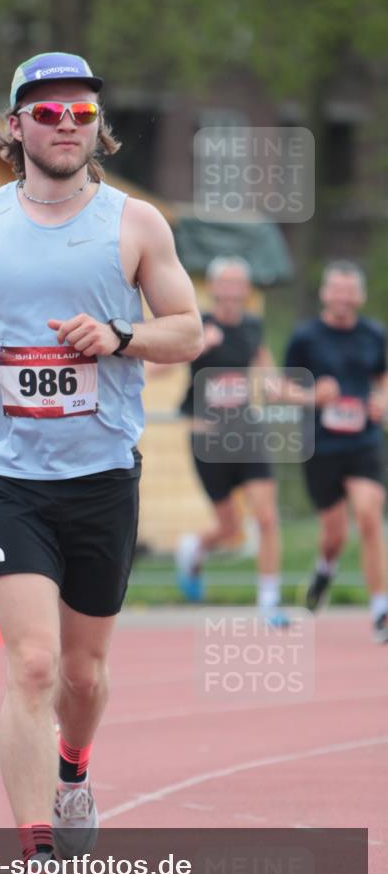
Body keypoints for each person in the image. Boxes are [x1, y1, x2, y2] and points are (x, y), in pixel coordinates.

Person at [0, 51, 203, 874]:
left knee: (83, 678)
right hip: (7, 474)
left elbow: (187, 332)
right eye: (46, 112)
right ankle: (34, 858)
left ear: (96, 124)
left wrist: (120, 336)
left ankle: (75, 774)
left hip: (99, 478)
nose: (65, 124)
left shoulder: (136, 223)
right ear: (14, 126)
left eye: (80, 111)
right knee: (33, 662)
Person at [150, 257, 289, 625]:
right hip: (208, 439)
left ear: (246, 291)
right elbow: (155, 367)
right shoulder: (197, 326)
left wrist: (279, 387)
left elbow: (267, 370)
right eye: (225, 283)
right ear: (213, 289)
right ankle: (194, 547)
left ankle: (269, 603)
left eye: (238, 283)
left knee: (267, 517)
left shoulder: (253, 327)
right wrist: (197, 347)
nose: (231, 291)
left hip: (247, 433)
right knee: (230, 529)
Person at [285, 261, 388, 643]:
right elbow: (281, 388)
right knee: (334, 533)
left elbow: (382, 377)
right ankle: (325, 568)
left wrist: (382, 401)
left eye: (350, 290)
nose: (343, 298)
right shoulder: (306, 337)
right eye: (337, 290)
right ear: (325, 294)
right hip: (322, 444)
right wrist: (312, 396)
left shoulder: (375, 334)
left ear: (358, 296)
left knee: (369, 516)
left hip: (364, 441)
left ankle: (380, 609)